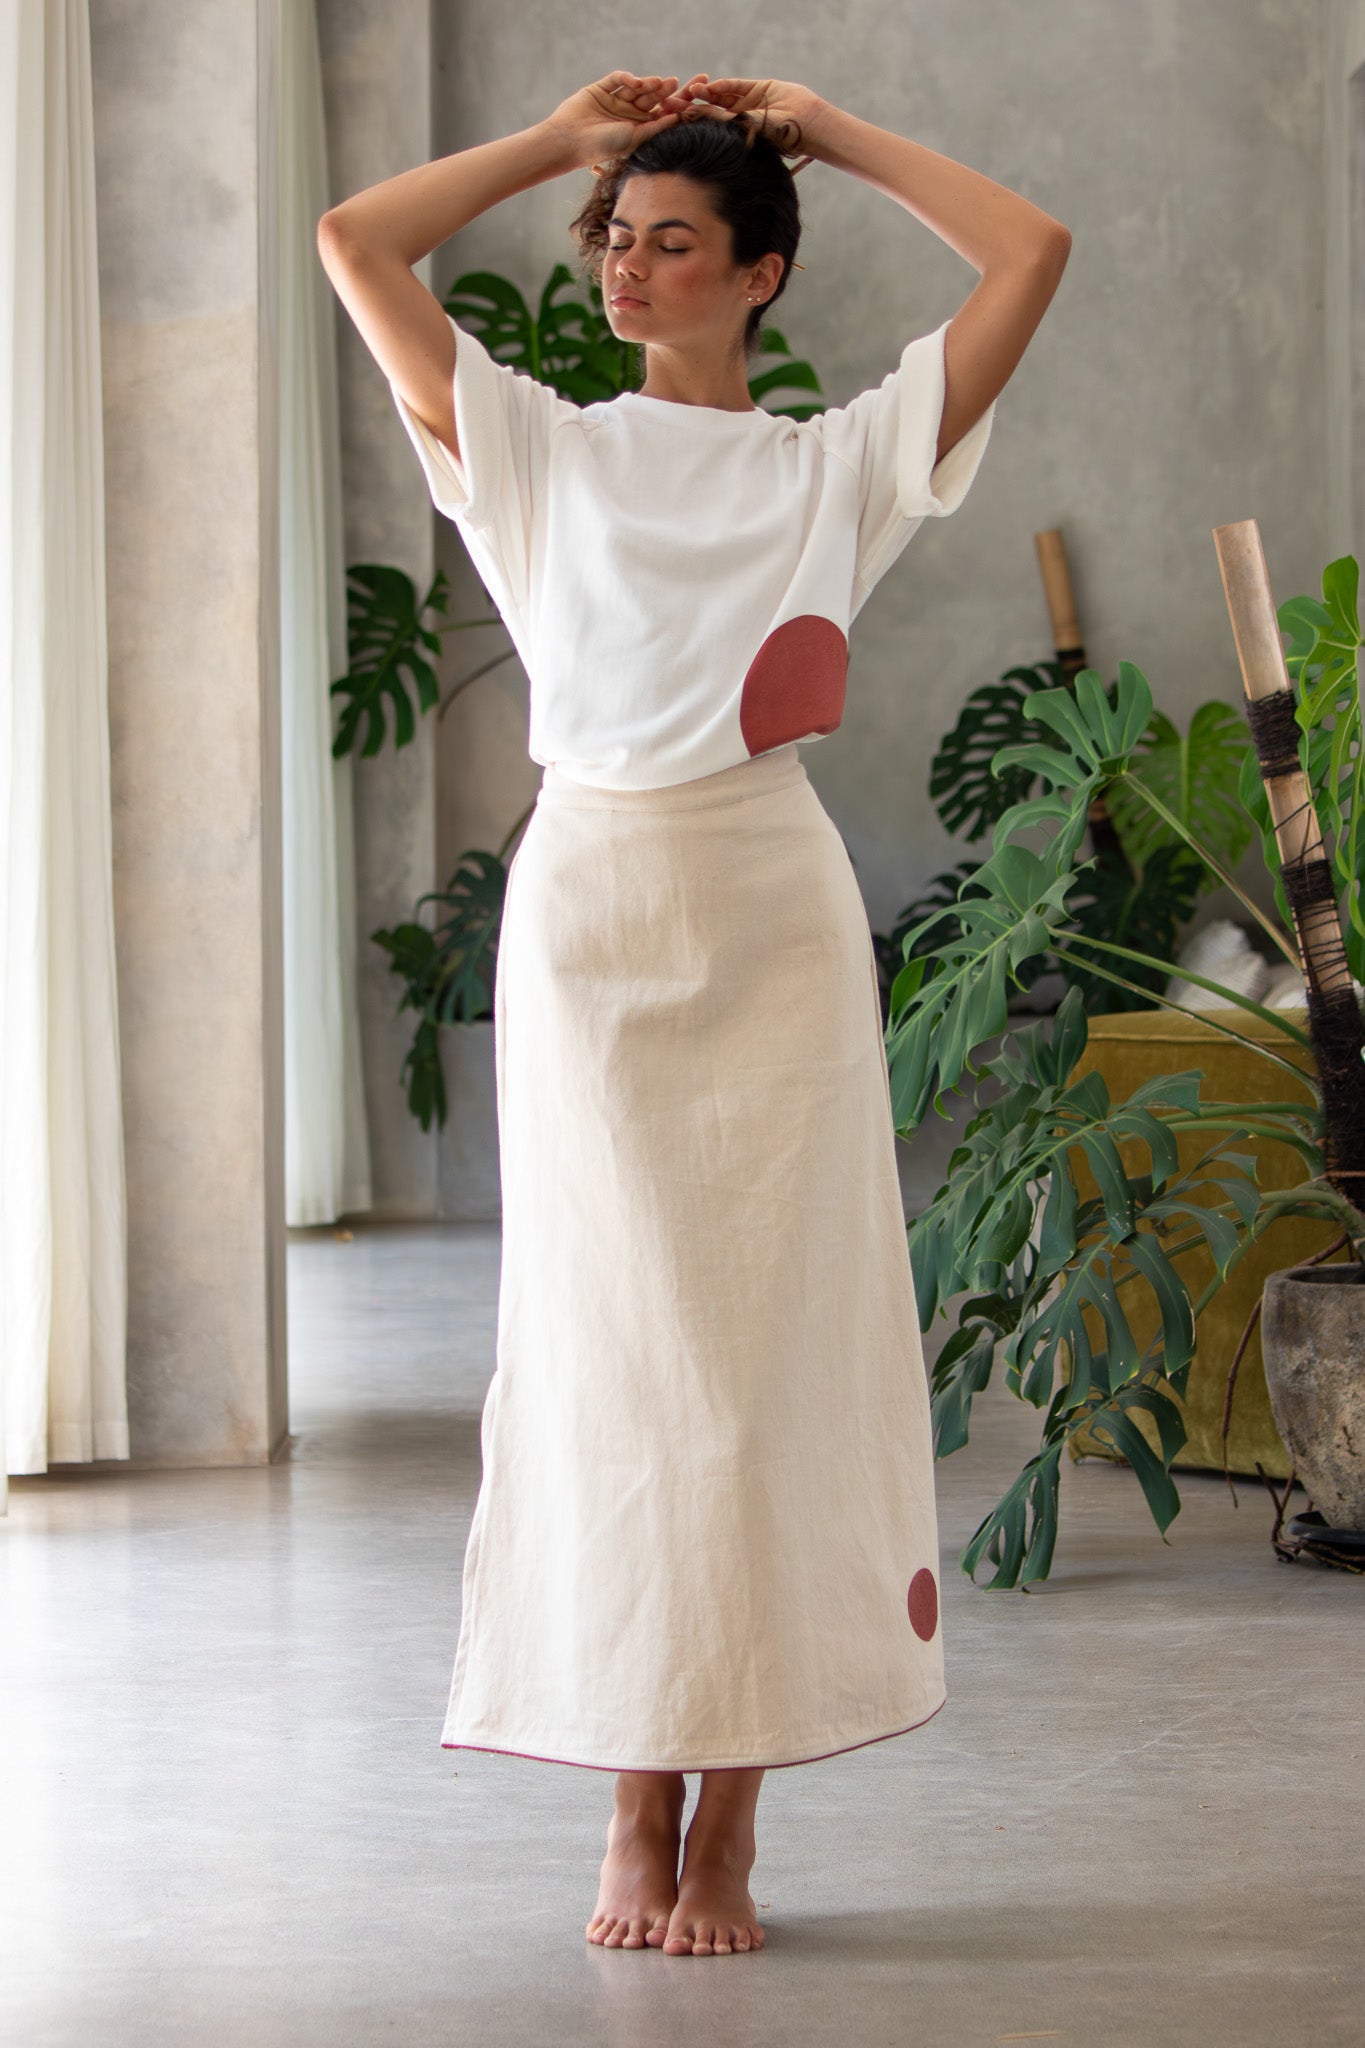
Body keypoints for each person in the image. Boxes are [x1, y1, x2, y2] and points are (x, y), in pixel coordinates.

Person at [318, 69, 1069, 1960]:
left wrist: (831, 127)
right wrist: (567, 141)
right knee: (612, 1366)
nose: (627, 269)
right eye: (613, 239)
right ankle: (624, 1804)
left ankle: (722, 1830)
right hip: (591, 915)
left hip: (769, 917)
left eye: (670, 241)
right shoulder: (535, 445)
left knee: (756, 1371)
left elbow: (1030, 251)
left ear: (764, 273)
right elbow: (356, 245)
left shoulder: (837, 468)